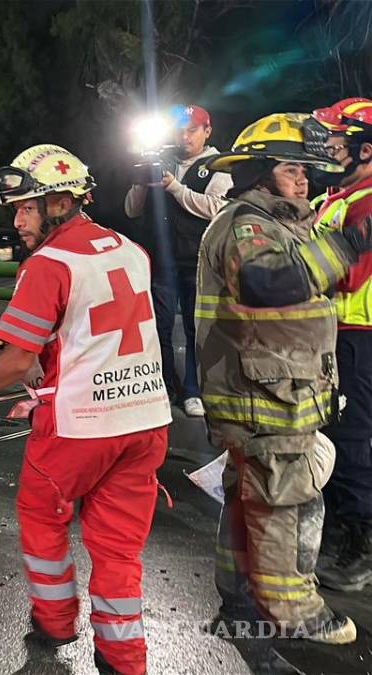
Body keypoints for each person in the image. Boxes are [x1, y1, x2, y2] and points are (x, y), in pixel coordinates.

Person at [0, 144, 170, 675]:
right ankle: (123, 658)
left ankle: (54, 619)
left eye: (27, 207)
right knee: (119, 549)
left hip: (80, 428)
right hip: (145, 421)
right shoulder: (131, 250)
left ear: (59, 203)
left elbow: (16, 360)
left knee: (40, 516)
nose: (18, 220)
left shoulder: (49, 264)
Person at [196, 113, 371, 645]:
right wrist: (349, 244)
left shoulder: (278, 222)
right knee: (281, 503)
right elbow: (267, 281)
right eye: (294, 169)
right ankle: (293, 611)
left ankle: (240, 608)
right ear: (260, 170)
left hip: (273, 388)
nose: (306, 180)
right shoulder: (248, 226)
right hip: (261, 395)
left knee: (249, 502)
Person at [124, 105, 233, 417]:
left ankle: (193, 390)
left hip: (198, 261)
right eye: (180, 131)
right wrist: (141, 180)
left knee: (194, 329)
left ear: (207, 131)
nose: (185, 137)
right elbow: (131, 210)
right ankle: (164, 386)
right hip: (162, 259)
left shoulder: (218, 165)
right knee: (159, 326)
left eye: (192, 130)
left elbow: (217, 208)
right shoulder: (161, 161)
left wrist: (174, 186)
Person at [310, 97, 372, 592]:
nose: (326, 147)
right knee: (338, 435)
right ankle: (337, 534)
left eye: (334, 139)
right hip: (337, 333)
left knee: (353, 442)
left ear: (365, 149)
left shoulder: (368, 199)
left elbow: (348, 275)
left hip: (358, 336)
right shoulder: (337, 196)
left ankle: (360, 547)